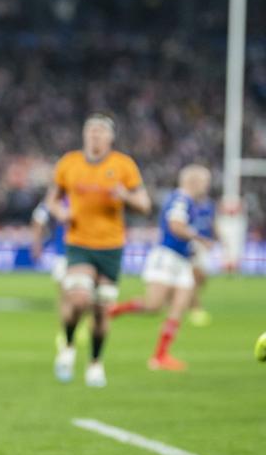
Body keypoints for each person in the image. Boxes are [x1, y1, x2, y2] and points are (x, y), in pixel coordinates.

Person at [45, 114, 151, 387]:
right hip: (79, 243)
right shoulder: (69, 163)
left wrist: (125, 197)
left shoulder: (123, 165)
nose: (95, 135)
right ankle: (67, 345)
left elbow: (145, 204)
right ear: (84, 135)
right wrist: (61, 212)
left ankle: (95, 363)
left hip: (111, 246)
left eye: (101, 131)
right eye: (91, 130)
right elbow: (52, 199)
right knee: (79, 300)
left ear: (110, 138)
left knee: (103, 310)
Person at [108, 165, 213, 371]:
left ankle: (160, 356)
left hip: (182, 260)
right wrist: (199, 238)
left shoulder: (188, 201)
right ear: (194, 181)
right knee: (153, 305)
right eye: (204, 182)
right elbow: (175, 226)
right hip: (167, 257)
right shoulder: (181, 199)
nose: (206, 187)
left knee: (179, 306)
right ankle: (110, 312)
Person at [187, 191, 217, 326]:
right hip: (192, 243)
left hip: (205, 244)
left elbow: (212, 223)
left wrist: (218, 237)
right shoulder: (187, 204)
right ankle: (196, 309)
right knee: (194, 278)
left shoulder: (209, 206)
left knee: (202, 279)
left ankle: (183, 299)